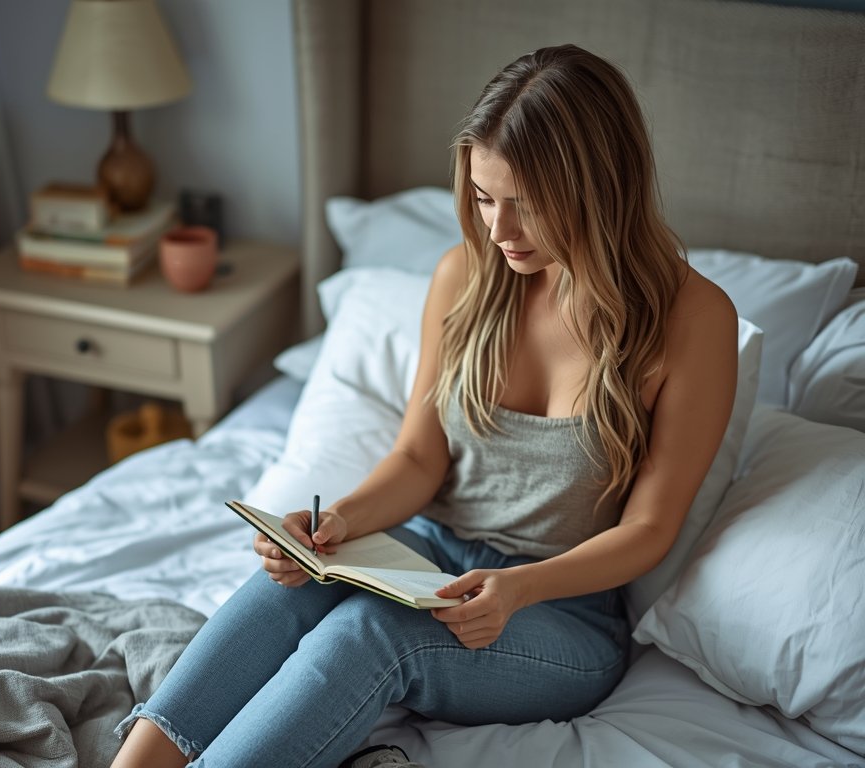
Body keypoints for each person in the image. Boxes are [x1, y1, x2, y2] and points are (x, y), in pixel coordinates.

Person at [110, 43, 737, 768]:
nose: (498, 230)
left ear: (600, 188)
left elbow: (651, 529)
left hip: (560, 610)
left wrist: (518, 588)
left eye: (526, 205)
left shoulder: (693, 319)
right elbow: (418, 457)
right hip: (426, 554)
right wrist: (338, 524)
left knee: (371, 633)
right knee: (291, 588)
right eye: (483, 198)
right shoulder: (467, 276)